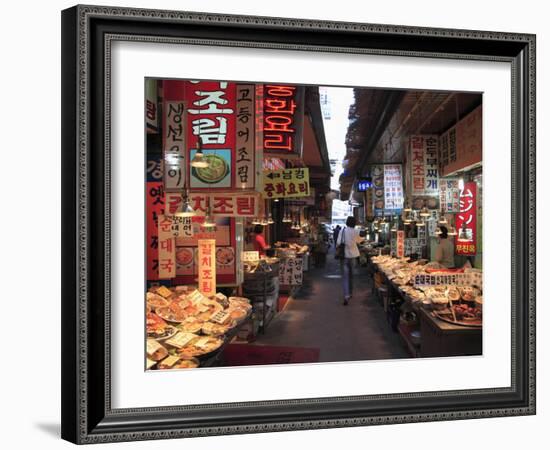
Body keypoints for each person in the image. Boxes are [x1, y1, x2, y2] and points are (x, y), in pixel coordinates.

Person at [336, 216, 364, 305]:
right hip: (353, 256)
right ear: (354, 223)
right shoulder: (356, 231)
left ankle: (346, 295)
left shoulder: (343, 231)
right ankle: (351, 292)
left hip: (344, 256)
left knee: (345, 276)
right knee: (351, 275)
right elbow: (360, 241)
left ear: (347, 222)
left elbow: (338, 243)